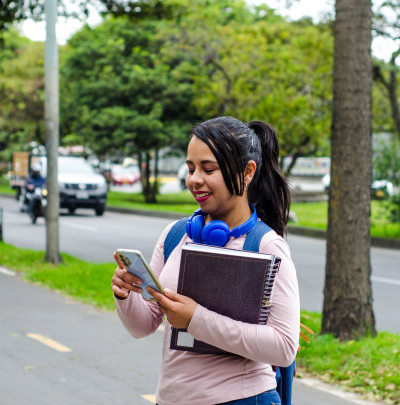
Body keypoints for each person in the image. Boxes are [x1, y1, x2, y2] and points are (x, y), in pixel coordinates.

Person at [112, 116, 300, 404]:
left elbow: (284, 347)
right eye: (190, 168)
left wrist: (196, 319)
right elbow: (143, 325)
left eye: (208, 169)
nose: (194, 179)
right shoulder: (176, 235)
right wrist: (125, 295)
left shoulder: (266, 246)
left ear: (247, 172)